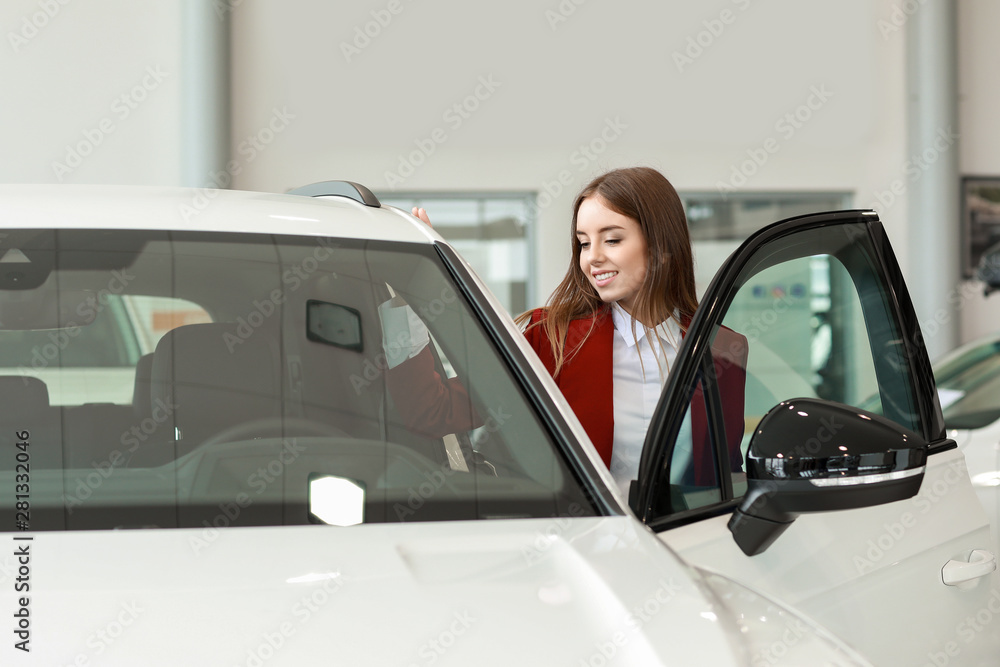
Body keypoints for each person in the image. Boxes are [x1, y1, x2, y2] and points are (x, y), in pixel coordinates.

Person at [386, 167, 747, 498]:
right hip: (586, 547)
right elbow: (434, 411)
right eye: (584, 243)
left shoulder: (724, 348)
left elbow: (726, 468)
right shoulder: (551, 337)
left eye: (612, 240)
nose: (591, 258)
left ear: (662, 247)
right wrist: (411, 291)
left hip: (692, 543)